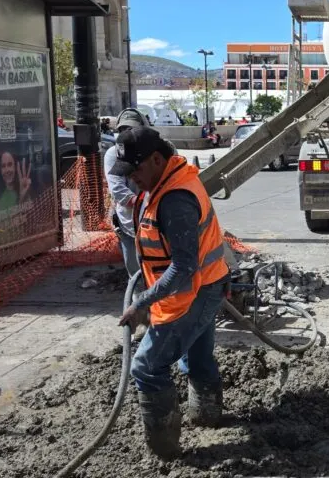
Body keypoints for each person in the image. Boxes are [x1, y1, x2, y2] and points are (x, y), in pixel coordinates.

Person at [113, 127, 230, 460]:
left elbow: (182, 270)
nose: (133, 179)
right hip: (207, 283)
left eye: (135, 170)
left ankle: (163, 448)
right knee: (196, 356)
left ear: (156, 159)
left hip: (193, 291)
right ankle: (206, 416)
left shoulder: (175, 199)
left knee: (146, 367)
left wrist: (141, 304)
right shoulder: (165, 181)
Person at [103, 108, 148, 279]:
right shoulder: (114, 154)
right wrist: (148, 206)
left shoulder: (156, 152)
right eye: (123, 130)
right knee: (136, 275)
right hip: (129, 224)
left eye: (131, 129)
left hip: (156, 226)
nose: (127, 134)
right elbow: (119, 192)